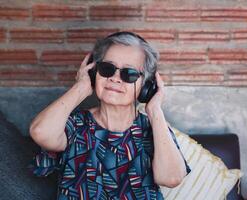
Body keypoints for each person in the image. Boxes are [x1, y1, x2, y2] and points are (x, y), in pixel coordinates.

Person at [29, 31, 191, 200]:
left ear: (146, 86)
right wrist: (81, 88)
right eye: (107, 69)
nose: (115, 78)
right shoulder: (76, 125)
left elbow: (171, 178)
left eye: (129, 74)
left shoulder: (153, 130)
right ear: (94, 74)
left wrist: (155, 110)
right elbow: (40, 132)